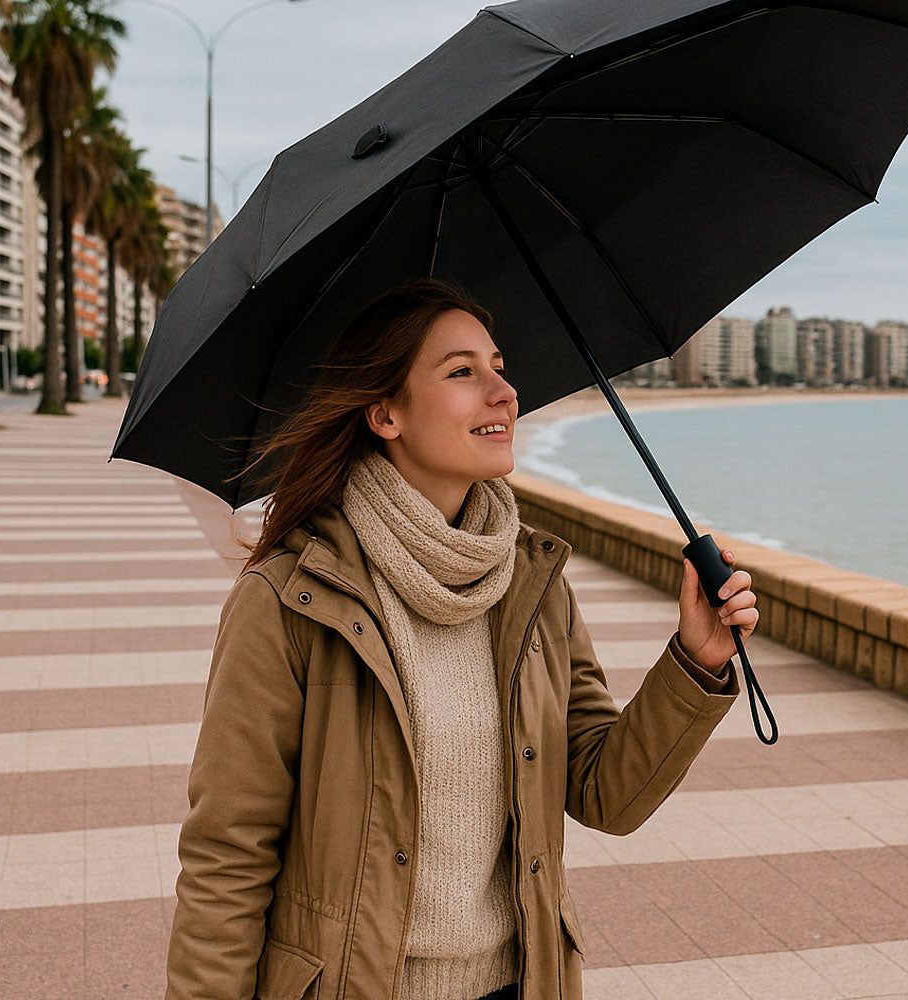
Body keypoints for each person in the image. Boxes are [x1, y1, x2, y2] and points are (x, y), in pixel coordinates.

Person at [164, 277, 758, 1000]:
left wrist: (695, 662)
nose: (503, 392)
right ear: (384, 414)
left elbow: (608, 795)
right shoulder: (290, 601)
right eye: (462, 372)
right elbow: (227, 855)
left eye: (499, 366)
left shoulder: (533, 584)